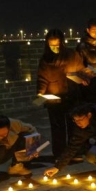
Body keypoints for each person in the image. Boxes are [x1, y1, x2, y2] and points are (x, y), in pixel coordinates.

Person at [36, 28, 88, 161]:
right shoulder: (46, 59)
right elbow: (42, 78)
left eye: (57, 45)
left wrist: (83, 78)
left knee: (74, 126)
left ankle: (74, 153)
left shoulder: (72, 55)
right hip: (54, 100)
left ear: (62, 43)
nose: (54, 48)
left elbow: (82, 70)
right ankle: (59, 155)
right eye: (51, 45)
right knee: (57, 128)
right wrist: (41, 93)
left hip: (72, 96)